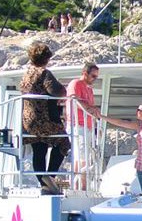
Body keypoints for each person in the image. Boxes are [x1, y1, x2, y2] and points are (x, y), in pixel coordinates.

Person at [19, 42, 70, 194]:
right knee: (64, 143)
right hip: (45, 118)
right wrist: (63, 89)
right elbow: (56, 91)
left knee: (39, 150)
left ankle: (44, 183)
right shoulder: (44, 73)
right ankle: (49, 178)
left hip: (29, 121)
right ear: (46, 58)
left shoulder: (27, 73)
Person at [66, 63, 102, 190]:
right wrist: (90, 109)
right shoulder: (75, 84)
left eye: (96, 77)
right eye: (93, 76)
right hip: (78, 125)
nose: (94, 79)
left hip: (88, 126)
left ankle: (79, 185)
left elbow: (90, 107)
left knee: (85, 156)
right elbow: (75, 100)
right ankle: (78, 186)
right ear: (85, 73)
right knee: (81, 157)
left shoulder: (89, 89)